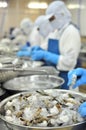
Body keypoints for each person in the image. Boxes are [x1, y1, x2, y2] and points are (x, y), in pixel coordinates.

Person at [30, 1, 81, 89]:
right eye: (49, 19)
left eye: (52, 18)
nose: (51, 22)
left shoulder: (71, 31)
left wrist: (45, 54)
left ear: (61, 15)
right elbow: (47, 47)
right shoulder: (57, 32)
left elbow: (69, 62)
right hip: (57, 76)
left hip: (67, 78)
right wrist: (39, 49)